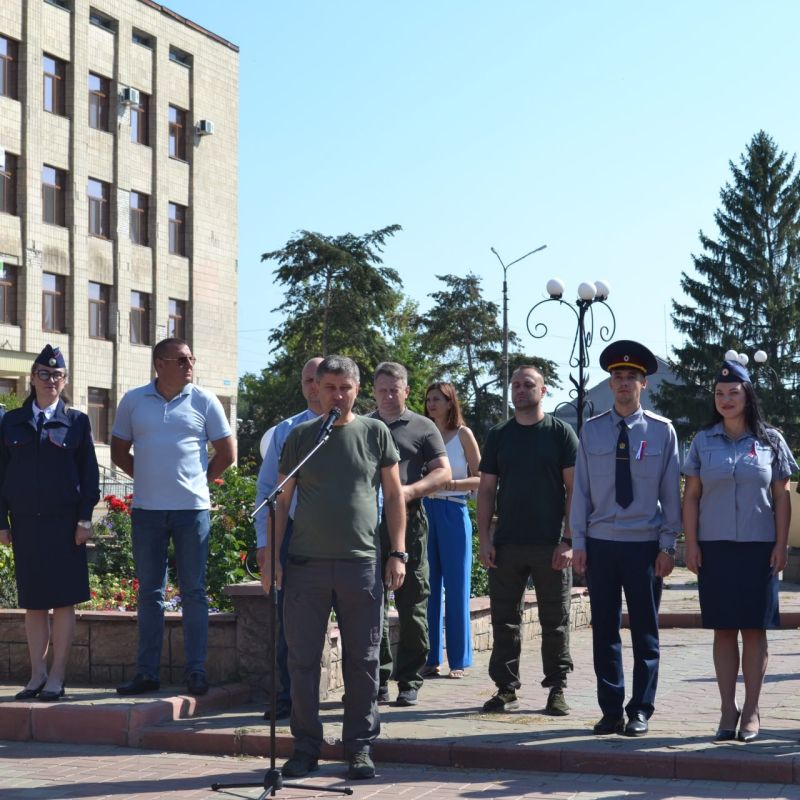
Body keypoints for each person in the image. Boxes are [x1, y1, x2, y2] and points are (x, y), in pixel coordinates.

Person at [267, 355, 406, 781]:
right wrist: (271, 556)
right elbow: (282, 500)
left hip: (361, 564)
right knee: (303, 660)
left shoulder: (375, 432)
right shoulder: (302, 437)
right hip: (305, 566)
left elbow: (395, 495)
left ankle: (359, 747)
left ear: (357, 390)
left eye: (345, 388)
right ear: (317, 390)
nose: (338, 395)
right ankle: (305, 747)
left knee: (362, 660)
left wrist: (397, 552)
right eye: (330, 387)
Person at [111, 337, 235, 697]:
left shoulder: (204, 399)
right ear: (159, 364)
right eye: (181, 360)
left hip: (192, 511)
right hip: (147, 511)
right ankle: (147, 673)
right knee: (150, 592)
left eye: (191, 359)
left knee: (194, 591)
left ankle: (196, 671)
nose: (189, 365)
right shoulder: (133, 401)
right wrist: (147, 477)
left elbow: (227, 453)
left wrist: (199, 481)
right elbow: (119, 450)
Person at [571, 340, 681, 737]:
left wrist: (669, 545)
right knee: (604, 630)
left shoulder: (662, 432)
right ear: (610, 382)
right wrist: (578, 542)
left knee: (645, 632)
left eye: (631, 377)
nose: (623, 383)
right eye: (617, 377)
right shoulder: (592, 430)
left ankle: (641, 710)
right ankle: (610, 709)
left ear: (644, 384)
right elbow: (580, 492)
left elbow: (671, 495)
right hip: (601, 544)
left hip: (644, 546)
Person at [683, 359, 796, 743]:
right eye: (719, 394)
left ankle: (752, 710)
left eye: (733, 393)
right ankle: (727, 709)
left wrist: (781, 544)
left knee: (755, 629)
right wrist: (692, 544)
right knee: (723, 630)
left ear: (747, 396)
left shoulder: (771, 441)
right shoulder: (703, 441)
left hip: (759, 548)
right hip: (714, 549)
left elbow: (781, 498)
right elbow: (692, 496)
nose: (726, 399)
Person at [0, 345, 99, 701]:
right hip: (25, 523)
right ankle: (36, 675)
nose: (50, 380)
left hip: (65, 525)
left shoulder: (77, 422)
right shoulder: (12, 422)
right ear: (32, 378)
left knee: (64, 601)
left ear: (65, 380)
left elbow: (90, 478)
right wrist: (2, 523)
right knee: (34, 603)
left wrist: (85, 519)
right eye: (44, 373)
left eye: (57, 375)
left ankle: (57, 675)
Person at [477, 366, 578, 715]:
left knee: (555, 621)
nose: (520, 390)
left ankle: (557, 689)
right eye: (516, 385)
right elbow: (487, 490)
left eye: (528, 385)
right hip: (506, 544)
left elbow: (574, 490)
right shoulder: (498, 435)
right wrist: (485, 537)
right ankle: (505, 689)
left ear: (543, 390)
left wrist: (568, 540)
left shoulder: (561, 433)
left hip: (550, 545)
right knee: (504, 620)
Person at [371, 362, 451, 706]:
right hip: (367, 525)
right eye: (382, 389)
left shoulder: (423, 427)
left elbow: (443, 473)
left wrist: (409, 491)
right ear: (373, 391)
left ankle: (409, 679)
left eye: (395, 389)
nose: (389, 396)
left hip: (411, 520)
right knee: (368, 605)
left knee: (413, 602)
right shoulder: (363, 425)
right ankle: (377, 678)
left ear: (406, 391)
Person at [254, 356, 323, 720]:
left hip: (342, 538)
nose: (315, 387)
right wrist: (266, 544)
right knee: (289, 621)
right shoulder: (286, 431)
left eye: (321, 379)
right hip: (293, 532)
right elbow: (268, 488)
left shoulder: (360, 428)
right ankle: (286, 697)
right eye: (308, 379)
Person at [421, 382, 481, 679]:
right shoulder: (422, 432)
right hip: (424, 512)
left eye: (438, 399)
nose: (432, 404)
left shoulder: (463, 434)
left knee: (457, 587)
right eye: (429, 399)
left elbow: (482, 479)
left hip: (454, 510)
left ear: (450, 403)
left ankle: (458, 660)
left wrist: (452, 485)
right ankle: (431, 658)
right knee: (428, 587)